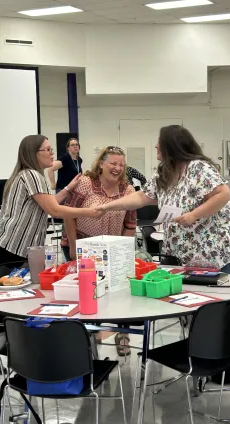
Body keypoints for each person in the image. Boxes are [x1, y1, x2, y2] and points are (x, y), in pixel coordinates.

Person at [0, 135, 100, 374]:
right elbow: (53, 209)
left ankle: (3, 349)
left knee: (14, 299)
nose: (51, 153)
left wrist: (68, 188)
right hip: (12, 247)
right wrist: (89, 212)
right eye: (46, 149)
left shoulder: (28, 176)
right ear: (33, 153)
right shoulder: (32, 175)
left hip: (9, 244)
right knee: (10, 301)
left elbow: (49, 202)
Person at [96, 125, 230, 275]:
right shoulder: (165, 172)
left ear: (171, 146)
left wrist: (194, 215)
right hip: (185, 251)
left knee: (223, 293)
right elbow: (142, 196)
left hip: (214, 249)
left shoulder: (198, 167)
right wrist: (107, 206)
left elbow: (223, 194)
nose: (155, 146)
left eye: (159, 142)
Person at [61, 145, 137, 356]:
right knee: (89, 298)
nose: (117, 168)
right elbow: (68, 214)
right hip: (83, 247)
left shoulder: (127, 190)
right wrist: (75, 247)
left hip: (113, 250)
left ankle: (123, 335)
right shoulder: (85, 183)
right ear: (101, 163)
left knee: (120, 295)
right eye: (113, 163)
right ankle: (88, 343)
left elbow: (130, 225)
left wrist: (123, 255)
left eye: (121, 164)